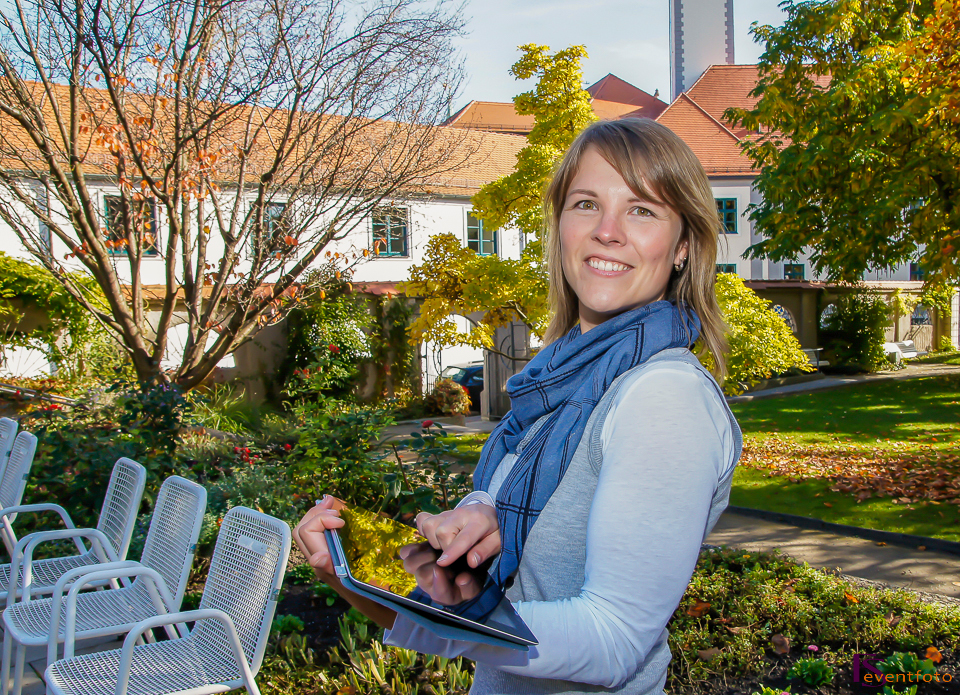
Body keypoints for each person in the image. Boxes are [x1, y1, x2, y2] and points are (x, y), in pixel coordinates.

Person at [294, 118, 742, 695]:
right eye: (586, 204)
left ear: (683, 247)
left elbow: (614, 640)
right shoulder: (560, 380)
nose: (607, 231)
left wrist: (408, 595)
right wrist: (369, 569)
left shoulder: (663, 396)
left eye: (642, 210)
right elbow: (513, 576)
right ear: (560, 227)